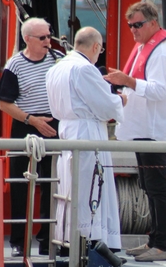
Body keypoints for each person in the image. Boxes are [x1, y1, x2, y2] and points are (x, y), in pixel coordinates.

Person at [106, 1, 166, 262]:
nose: (133, 30)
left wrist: (126, 81)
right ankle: (154, 240)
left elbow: (159, 91)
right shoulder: (145, 47)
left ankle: (162, 246)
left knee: (157, 187)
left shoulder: (163, 52)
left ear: (153, 23)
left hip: (154, 130)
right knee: (149, 186)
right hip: (143, 128)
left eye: (137, 25)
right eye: (130, 26)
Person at [46, 27, 126, 252]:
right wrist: (121, 101)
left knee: (69, 187)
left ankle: (67, 237)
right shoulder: (84, 68)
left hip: (66, 129)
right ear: (96, 47)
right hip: (86, 131)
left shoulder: (56, 67)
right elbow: (105, 105)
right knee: (90, 186)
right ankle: (89, 240)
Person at [0, 17, 63, 257]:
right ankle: (19, 241)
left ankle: (47, 240)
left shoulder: (59, 59)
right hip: (25, 126)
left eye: (49, 36)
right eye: (42, 37)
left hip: (53, 127)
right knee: (20, 185)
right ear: (27, 39)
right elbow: (4, 103)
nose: (48, 41)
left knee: (52, 184)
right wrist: (32, 120)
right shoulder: (14, 65)